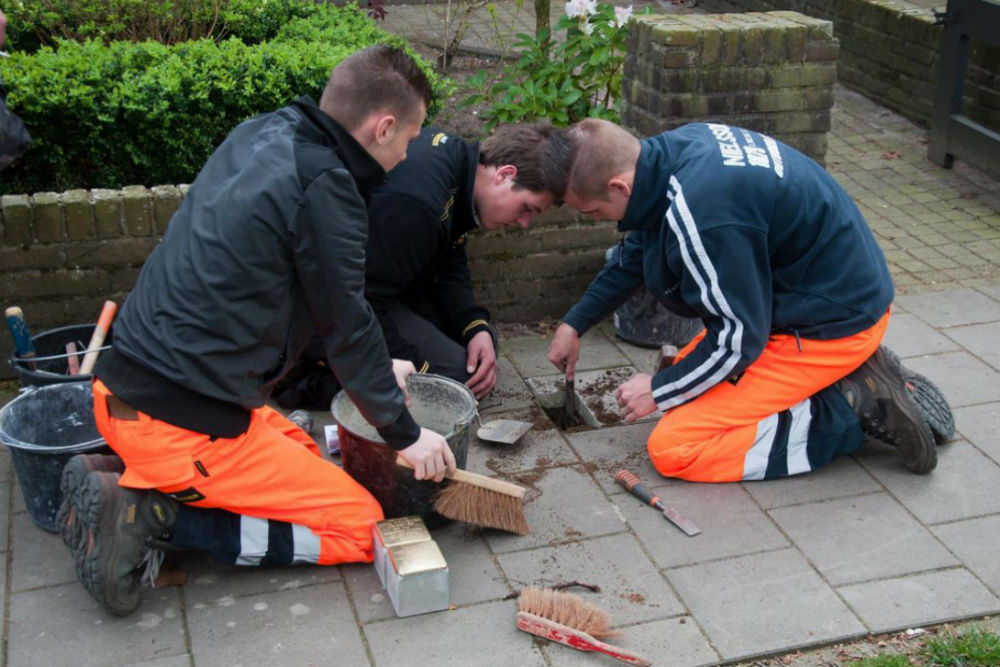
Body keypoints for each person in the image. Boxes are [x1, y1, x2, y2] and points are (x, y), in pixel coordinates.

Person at [56, 45, 455, 617]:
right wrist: (404, 432)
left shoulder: (262, 133)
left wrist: (374, 371)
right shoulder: (327, 185)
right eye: (410, 141)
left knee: (299, 442)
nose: (407, 155)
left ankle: (131, 474)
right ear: (383, 126)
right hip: (178, 427)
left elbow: (300, 305)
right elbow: (345, 321)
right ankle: (157, 516)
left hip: (118, 394)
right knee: (359, 523)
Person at [547, 118, 938, 483]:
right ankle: (842, 376)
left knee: (675, 446)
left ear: (619, 187)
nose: (598, 219)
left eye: (594, 211)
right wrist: (575, 323)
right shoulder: (671, 155)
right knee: (686, 388)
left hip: (832, 327)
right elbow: (637, 250)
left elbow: (738, 342)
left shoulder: (704, 212)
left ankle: (849, 407)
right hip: (807, 305)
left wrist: (658, 389)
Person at [273, 122, 566, 410]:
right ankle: (296, 375)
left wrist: (474, 326)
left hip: (382, 288)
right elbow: (361, 299)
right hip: (319, 305)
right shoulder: (419, 204)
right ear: (505, 175)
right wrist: (419, 371)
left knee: (478, 356)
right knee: (452, 383)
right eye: (527, 208)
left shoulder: (459, 170)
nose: (525, 224)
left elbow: (450, 260)